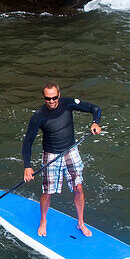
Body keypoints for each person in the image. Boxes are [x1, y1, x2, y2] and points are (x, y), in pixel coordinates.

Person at [22, 82, 102, 237]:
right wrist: (27, 166)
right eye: (47, 98)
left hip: (71, 151)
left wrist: (95, 122)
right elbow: (27, 142)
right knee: (48, 192)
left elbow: (95, 108)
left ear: (59, 95)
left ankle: (80, 222)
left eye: (54, 97)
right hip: (51, 155)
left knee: (78, 188)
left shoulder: (67, 104)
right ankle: (43, 221)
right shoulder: (39, 116)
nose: (51, 101)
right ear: (44, 97)